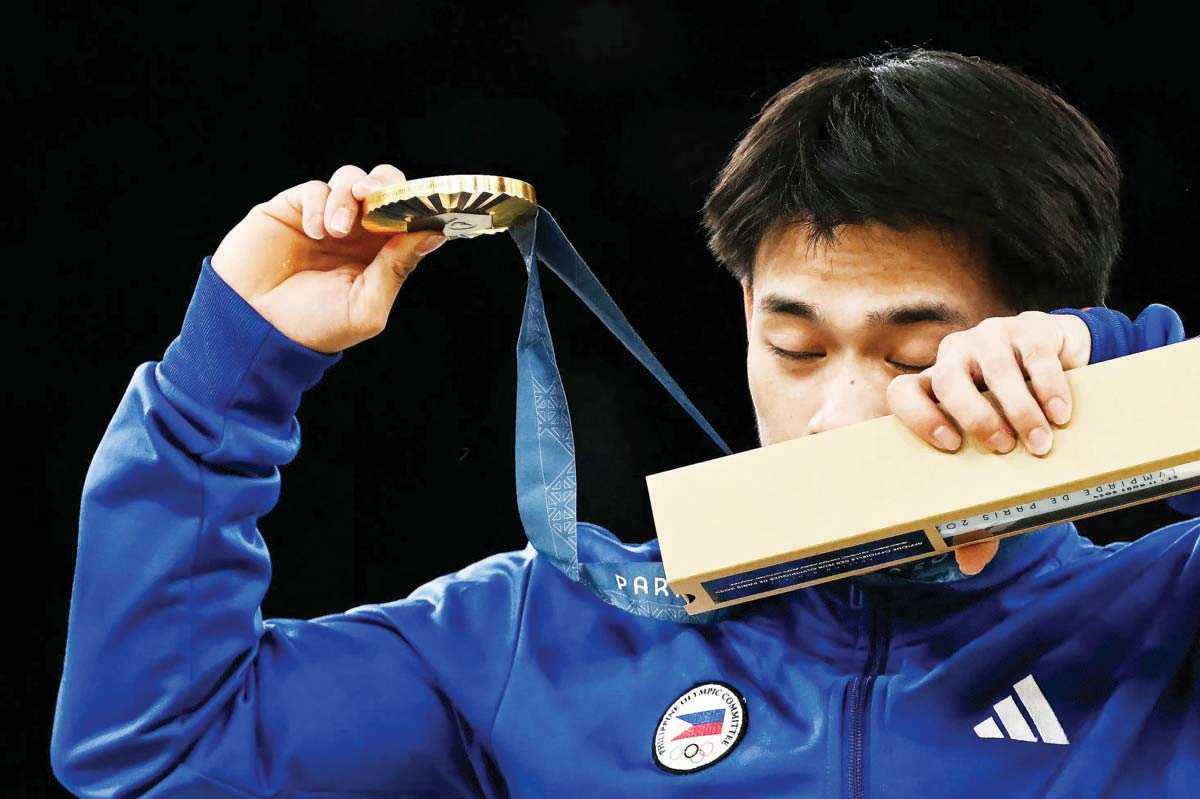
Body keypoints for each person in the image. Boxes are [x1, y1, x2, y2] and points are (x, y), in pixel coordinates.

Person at [51, 47, 1198, 798]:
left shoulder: (1167, 617)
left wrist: (1123, 374)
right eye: (794, 348)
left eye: (914, 355)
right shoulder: (547, 630)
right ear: (745, 313)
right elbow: (152, 753)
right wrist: (226, 380)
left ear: (1046, 334)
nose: (839, 417)